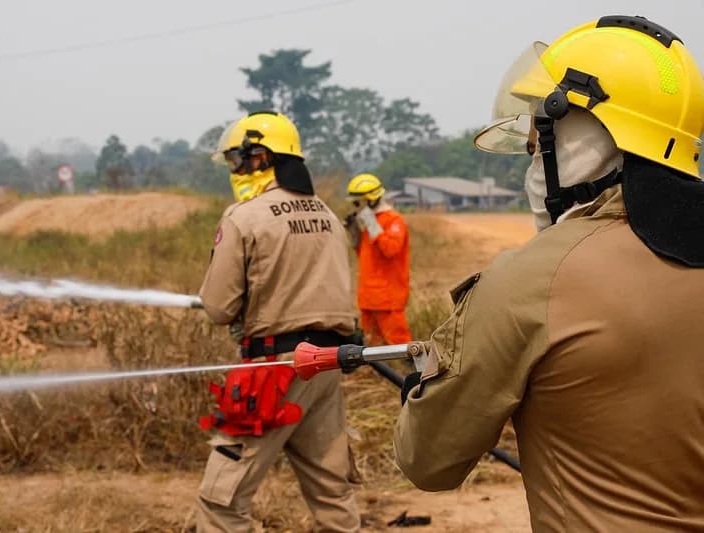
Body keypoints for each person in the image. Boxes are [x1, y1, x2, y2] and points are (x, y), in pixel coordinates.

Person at [394, 15, 704, 532]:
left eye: (540, 138)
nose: (534, 160)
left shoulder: (531, 280)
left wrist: (425, 387)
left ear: (581, 132)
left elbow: (428, 462)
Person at [196, 110, 361, 532]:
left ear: (260, 157)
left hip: (272, 371)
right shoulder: (326, 215)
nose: (234, 170)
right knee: (333, 497)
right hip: (325, 370)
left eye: (237, 160)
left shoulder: (244, 217)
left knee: (222, 502)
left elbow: (218, 307)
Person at [344, 173, 412, 345]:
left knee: (399, 346)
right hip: (368, 298)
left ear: (371, 200)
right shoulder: (372, 223)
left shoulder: (393, 220)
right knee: (372, 347)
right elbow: (366, 257)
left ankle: (410, 372)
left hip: (388, 298)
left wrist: (370, 221)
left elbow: (390, 250)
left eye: (358, 202)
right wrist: (354, 232)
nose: (356, 206)